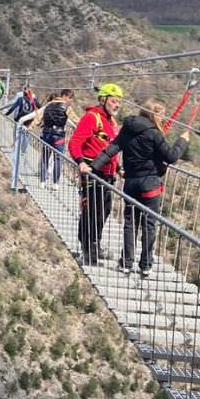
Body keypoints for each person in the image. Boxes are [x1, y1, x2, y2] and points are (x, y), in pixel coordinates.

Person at [83, 99, 191, 278]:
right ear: (154, 115)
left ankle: (126, 263)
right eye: (161, 115)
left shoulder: (128, 128)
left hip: (131, 183)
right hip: (150, 184)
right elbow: (171, 156)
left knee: (130, 223)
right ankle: (145, 265)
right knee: (149, 223)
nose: (163, 119)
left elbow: (112, 149)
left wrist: (93, 167)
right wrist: (182, 141)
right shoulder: (154, 133)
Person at [69, 83, 125, 265]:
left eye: (119, 102)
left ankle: (94, 245)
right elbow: (75, 142)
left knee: (104, 211)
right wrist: (81, 162)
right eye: (114, 101)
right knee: (92, 211)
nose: (117, 105)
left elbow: (110, 150)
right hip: (93, 172)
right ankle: (88, 250)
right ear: (103, 100)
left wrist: (118, 169)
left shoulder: (111, 122)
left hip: (108, 175)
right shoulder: (92, 118)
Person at [34, 89, 74, 188]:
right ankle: (55, 183)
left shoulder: (48, 105)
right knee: (58, 159)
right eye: (70, 98)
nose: (71, 101)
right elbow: (76, 119)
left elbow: (37, 119)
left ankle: (42, 182)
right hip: (59, 136)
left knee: (45, 158)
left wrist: (28, 128)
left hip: (46, 134)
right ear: (64, 96)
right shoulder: (67, 108)